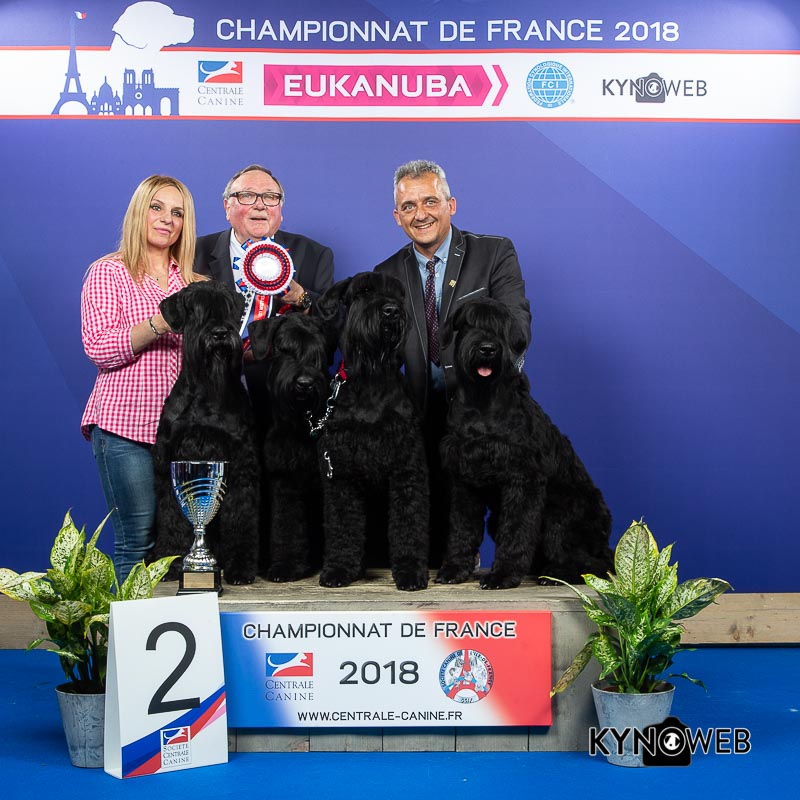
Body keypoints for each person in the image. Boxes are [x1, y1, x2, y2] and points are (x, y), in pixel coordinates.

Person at [374, 159, 532, 562]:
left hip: (486, 413)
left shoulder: (494, 252)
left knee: (500, 516)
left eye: (430, 201)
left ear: (451, 205)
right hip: (421, 416)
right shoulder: (386, 273)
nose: (420, 214)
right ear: (396, 216)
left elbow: (517, 328)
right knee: (433, 539)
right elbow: (380, 350)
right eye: (408, 206)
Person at [81, 175, 199, 583]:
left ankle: (173, 623)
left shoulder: (193, 283)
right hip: (125, 427)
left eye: (177, 213)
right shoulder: (108, 272)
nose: (167, 219)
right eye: (157, 207)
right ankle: (129, 626)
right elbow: (99, 348)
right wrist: (160, 322)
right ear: (138, 212)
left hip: (183, 431)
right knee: (138, 539)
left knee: (182, 541)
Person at [194, 164, 335, 422]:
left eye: (270, 197)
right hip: (210, 400)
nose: (260, 205)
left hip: (284, 404)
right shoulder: (193, 254)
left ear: (280, 210)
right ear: (227, 207)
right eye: (247, 195)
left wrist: (303, 298)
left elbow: (332, 328)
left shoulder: (314, 254)